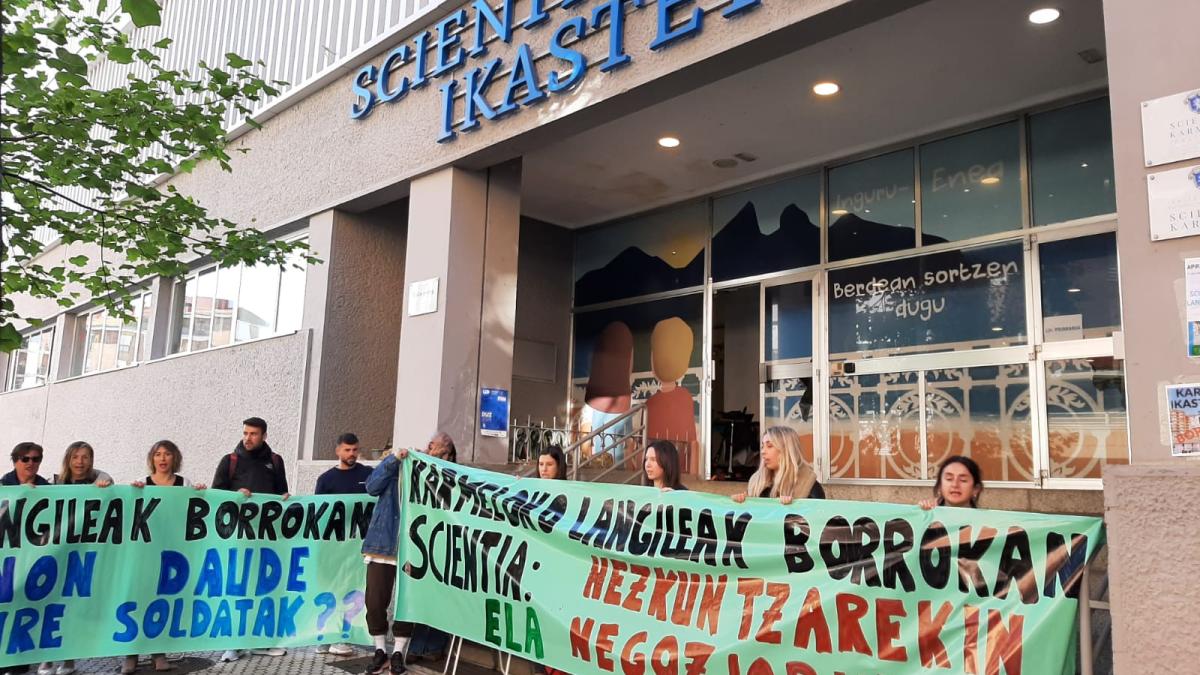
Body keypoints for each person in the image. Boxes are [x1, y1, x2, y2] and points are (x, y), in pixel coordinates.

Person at [361, 432, 456, 675]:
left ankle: (398, 653)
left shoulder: (439, 475)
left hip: (415, 548)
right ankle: (380, 650)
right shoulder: (399, 462)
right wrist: (393, 460)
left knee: (407, 602)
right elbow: (372, 487)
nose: (430, 448)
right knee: (374, 600)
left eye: (438, 448)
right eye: (431, 445)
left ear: (446, 455)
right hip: (384, 544)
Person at [212, 417, 289, 661]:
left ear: (264, 436)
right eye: (245, 432)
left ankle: (260, 641)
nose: (248, 438)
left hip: (266, 537)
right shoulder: (230, 461)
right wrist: (235, 496)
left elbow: (282, 493)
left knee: (263, 587)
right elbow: (216, 495)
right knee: (237, 587)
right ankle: (233, 643)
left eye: (254, 434)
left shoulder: (275, 461)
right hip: (237, 536)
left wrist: (286, 498)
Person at [125, 440, 205, 674]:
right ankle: (131, 654)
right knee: (138, 600)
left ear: (174, 458)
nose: (162, 459)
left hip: (172, 551)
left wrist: (201, 494)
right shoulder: (142, 483)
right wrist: (131, 492)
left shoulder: (184, 483)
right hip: (145, 551)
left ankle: (158, 653)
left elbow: (194, 510)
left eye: (167, 454)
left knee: (161, 602)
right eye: (157, 454)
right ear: (152, 458)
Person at [42, 441, 111, 675]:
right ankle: (46, 657)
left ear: (91, 460)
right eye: (75, 457)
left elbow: (113, 496)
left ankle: (68, 658)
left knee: (72, 605)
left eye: (85, 457)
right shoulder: (54, 484)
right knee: (50, 604)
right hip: (57, 553)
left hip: (84, 553)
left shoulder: (100, 479)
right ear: (68, 460)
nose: (80, 462)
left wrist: (106, 487)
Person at [314, 433, 373, 657]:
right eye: (347, 450)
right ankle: (325, 637)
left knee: (352, 590)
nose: (351, 454)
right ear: (338, 451)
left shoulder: (368, 475)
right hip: (333, 547)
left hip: (357, 546)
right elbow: (318, 512)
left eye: (355, 450)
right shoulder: (326, 479)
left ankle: (341, 636)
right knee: (331, 589)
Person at [645, 317, 699, 473]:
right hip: (678, 468)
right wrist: (693, 474)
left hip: (660, 470)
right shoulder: (685, 397)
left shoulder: (651, 403)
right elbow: (692, 443)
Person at [732, 426, 825, 504]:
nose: (763, 452)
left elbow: (818, 521)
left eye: (769, 446)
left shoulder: (810, 487)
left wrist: (793, 508)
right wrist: (740, 504)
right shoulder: (756, 482)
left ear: (787, 450)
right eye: (762, 446)